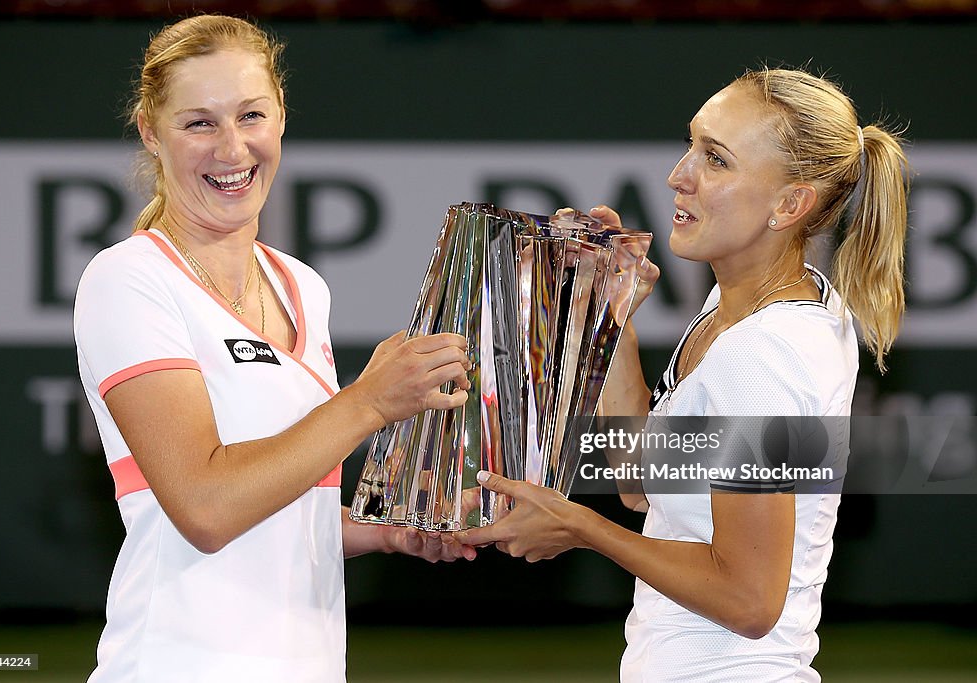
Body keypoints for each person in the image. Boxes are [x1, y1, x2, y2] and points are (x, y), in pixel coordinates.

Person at [457, 68, 909, 681]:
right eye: (692, 144)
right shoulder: (751, 311)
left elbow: (749, 601)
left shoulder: (764, 352)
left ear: (789, 204)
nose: (679, 175)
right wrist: (610, 315)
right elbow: (643, 485)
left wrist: (578, 526)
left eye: (716, 160)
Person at [73, 15, 474, 682]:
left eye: (251, 115)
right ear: (150, 131)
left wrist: (383, 528)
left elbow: (282, 502)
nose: (233, 149)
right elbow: (205, 508)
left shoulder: (303, 288)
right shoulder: (127, 279)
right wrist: (370, 401)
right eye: (199, 123)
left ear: (281, 115)